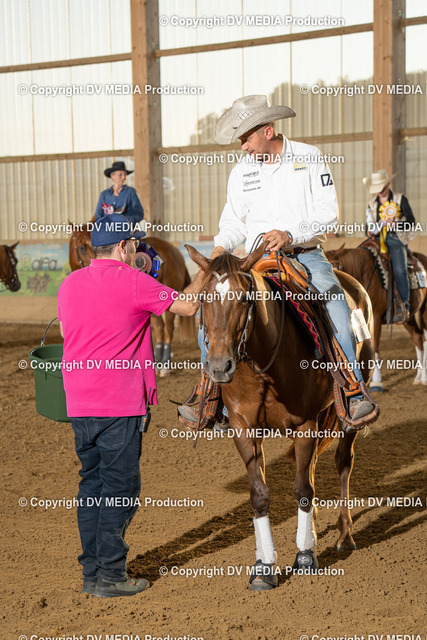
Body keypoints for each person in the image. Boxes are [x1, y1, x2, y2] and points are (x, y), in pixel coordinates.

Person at [179, 94, 375, 426]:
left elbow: (328, 214)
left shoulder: (309, 157)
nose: (243, 146)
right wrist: (220, 248)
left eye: (246, 138)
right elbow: (233, 222)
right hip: (252, 262)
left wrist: (289, 234)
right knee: (212, 316)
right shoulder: (241, 171)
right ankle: (210, 399)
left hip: (305, 257)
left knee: (337, 309)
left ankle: (352, 391)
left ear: (267, 131)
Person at [58, 213, 201, 598]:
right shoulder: (135, 282)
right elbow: (188, 306)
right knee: (120, 489)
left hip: (79, 403)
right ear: (123, 246)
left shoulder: (69, 283)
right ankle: (111, 575)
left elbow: (79, 327)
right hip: (119, 404)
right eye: (133, 243)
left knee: (91, 485)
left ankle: (92, 573)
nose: (137, 247)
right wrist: (207, 269)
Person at [363, 169, 416, 323]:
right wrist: (368, 231)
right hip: (377, 240)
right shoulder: (372, 204)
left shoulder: (400, 199)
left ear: (387, 184)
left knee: (400, 269)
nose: (379, 191)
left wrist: (396, 224)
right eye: (377, 188)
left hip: (395, 238)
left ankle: (404, 304)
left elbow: (411, 221)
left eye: (381, 188)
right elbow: (368, 223)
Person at [94, 161, 144, 225]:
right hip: (107, 228)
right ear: (112, 176)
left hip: (125, 228)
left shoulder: (130, 192)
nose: (124, 177)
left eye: (125, 174)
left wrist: (124, 220)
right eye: (120, 174)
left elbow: (139, 214)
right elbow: (98, 215)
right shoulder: (104, 195)